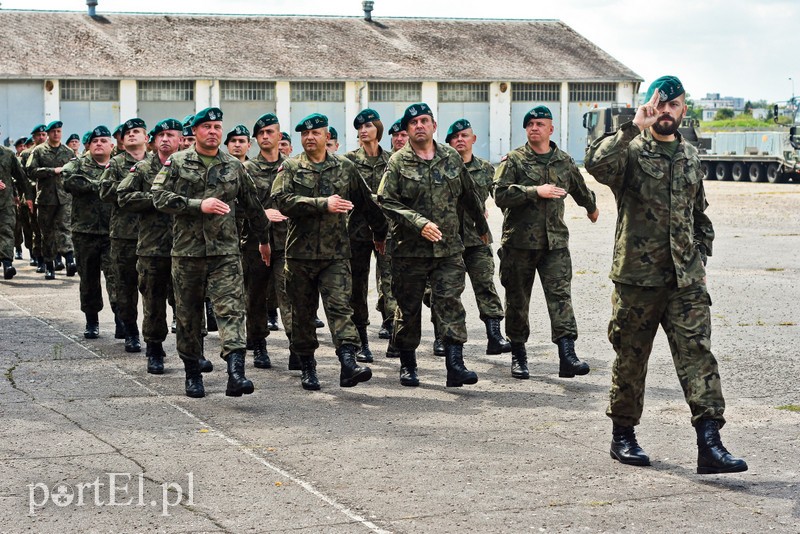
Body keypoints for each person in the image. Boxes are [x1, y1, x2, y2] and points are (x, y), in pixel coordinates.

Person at [585, 76, 747, 474]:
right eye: (660, 104)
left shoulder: (691, 156)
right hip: (637, 280)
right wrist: (632, 125)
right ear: (649, 107)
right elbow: (595, 164)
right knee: (631, 359)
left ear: (683, 110)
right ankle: (623, 435)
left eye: (674, 105)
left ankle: (710, 443)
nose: (667, 111)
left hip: (684, 282)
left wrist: (700, 259)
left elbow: (699, 216)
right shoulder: (632, 151)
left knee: (698, 356)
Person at [151, 107, 272, 399]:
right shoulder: (177, 162)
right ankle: (192, 374)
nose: (213, 132)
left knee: (232, 310)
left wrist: (263, 239)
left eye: (217, 126)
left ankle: (236, 373)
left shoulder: (234, 165)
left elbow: (253, 206)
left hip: (225, 253)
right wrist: (196, 204)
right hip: (187, 254)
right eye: (207, 127)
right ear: (195, 132)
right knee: (189, 315)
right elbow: (158, 196)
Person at [271, 113, 387, 391]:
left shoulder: (345, 167)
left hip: (336, 254)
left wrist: (380, 232)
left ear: (327, 137)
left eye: (316, 133)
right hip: (300, 256)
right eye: (305, 134)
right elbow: (282, 202)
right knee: (302, 313)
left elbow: (366, 202)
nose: (310, 138)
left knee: (340, 309)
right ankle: (308, 367)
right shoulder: (290, 167)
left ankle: (348, 363)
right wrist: (322, 203)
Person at [377, 103, 490, 388]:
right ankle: (408, 364)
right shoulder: (398, 162)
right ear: (407, 129)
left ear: (434, 126)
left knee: (451, 303)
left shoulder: (451, 157)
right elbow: (386, 200)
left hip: (449, 248)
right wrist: (418, 223)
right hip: (409, 251)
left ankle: (455, 365)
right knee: (409, 307)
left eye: (424, 120)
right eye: (413, 122)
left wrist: (482, 226)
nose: (419, 126)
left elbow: (469, 194)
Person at [493, 105, 598, 381]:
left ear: (551, 129)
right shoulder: (513, 160)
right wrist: (534, 191)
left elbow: (579, 187)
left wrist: (591, 207)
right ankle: (518, 355)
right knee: (517, 301)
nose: (534, 128)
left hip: (555, 245)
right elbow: (500, 195)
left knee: (561, 298)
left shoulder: (563, 160)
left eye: (540, 124)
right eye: (530, 124)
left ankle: (567, 356)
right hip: (519, 244)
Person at [118, 118, 210, 375]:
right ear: (153, 140)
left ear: (182, 139)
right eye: (161, 136)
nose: (166, 139)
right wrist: (158, 200)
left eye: (171, 135)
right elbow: (123, 196)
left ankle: (196, 350)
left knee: (190, 302)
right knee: (154, 300)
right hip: (153, 247)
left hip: (188, 246)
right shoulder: (143, 168)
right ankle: (155, 349)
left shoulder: (194, 167)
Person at [445, 119, 510, 356]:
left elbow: (501, 194)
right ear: (449, 142)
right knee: (446, 293)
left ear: (474, 139)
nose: (460, 140)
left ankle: (495, 336)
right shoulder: (443, 168)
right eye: (455, 137)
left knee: (485, 285)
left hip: (477, 240)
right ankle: (443, 337)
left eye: (464, 135)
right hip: (447, 242)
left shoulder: (486, 169)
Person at [343, 108, 394, 362]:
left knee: (392, 283)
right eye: (360, 127)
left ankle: (395, 333)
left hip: (389, 231)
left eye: (368, 126)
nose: (363, 130)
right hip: (357, 232)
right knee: (357, 288)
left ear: (378, 130)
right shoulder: (348, 161)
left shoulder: (393, 159)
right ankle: (361, 340)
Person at [241, 113, 290, 370]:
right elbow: (239, 207)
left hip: (286, 243)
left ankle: (298, 346)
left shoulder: (291, 167)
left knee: (289, 295)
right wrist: (262, 215)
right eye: (261, 133)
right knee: (256, 297)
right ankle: (258, 344)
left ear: (280, 136)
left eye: (270, 132)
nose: (265, 136)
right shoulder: (247, 169)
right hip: (255, 245)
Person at [62, 126, 116, 338]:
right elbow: (68, 179)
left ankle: (123, 320)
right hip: (85, 233)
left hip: (114, 233)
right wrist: (102, 185)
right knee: (89, 279)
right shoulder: (77, 165)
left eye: (104, 140)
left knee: (117, 279)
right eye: (95, 141)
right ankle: (91, 321)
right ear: (88, 146)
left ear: (112, 145)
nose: (99, 144)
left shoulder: (118, 166)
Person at [99, 118, 148, 353]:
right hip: (124, 235)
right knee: (125, 287)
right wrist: (132, 183)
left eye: (136, 131)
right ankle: (131, 332)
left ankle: (153, 334)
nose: (131, 135)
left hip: (154, 236)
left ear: (147, 138)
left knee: (153, 287)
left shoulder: (159, 163)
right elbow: (105, 192)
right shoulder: (116, 164)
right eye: (127, 132)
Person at [25, 120, 76, 280]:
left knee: (64, 228)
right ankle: (49, 266)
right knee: (46, 233)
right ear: (48, 133)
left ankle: (69, 259)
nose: (56, 134)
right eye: (53, 131)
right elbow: (30, 171)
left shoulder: (68, 152)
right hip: (46, 198)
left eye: (59, 131)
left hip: (64, 198)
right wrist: (51, 171)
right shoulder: (38, 151)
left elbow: (75, 171)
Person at [0, 141, 31, 279]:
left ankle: (7, 264)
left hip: (6, 202)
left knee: (7, 231)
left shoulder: (7, 154)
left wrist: (28, 196)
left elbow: (21, 176)